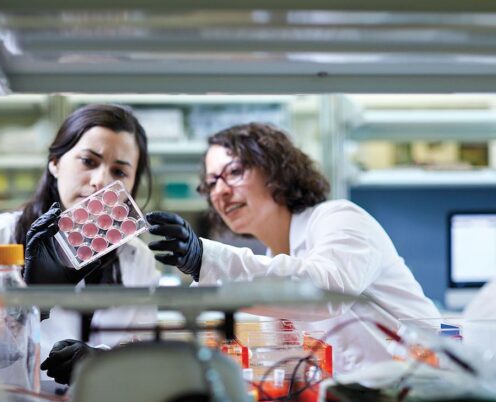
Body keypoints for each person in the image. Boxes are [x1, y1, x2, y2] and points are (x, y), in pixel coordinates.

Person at [147, 122, 441, 373]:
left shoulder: (340, 218)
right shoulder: (274, 260)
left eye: (234, 172)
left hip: (428, 394)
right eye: (211, 183)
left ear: (276, 172)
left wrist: (205, 259)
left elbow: (328, 291)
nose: (220, 191)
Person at [0, 104, 160, 384]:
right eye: (88, 161)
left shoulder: (137, 257)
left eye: (119, 172)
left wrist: (101, 361)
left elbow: (143, 354)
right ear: (55, 162)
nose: (100, 181)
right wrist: (29, 304)